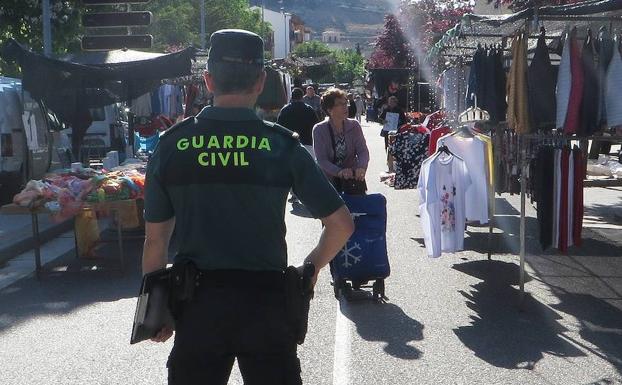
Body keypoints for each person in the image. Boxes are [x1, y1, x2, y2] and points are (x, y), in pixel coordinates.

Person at [142, 29, 354, 385]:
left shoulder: (171, 146)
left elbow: (155, 242)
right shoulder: (283, 146)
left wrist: (155, 310)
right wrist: (311, 269)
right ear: (261, 82)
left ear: (208, 80)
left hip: (198, 308)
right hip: (267, 306)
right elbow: (342, 225)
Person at [313, 87, 370, 192]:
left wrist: (361, 167)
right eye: (340, 104)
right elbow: (321, 160)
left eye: (345, 103)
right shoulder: (319, 129)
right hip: (329, 183)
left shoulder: (354, 125)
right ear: (329, 110)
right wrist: (340, 172)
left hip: (352, 182)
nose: (346, 107)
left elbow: (362, 151)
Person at [277, 87, 319, 156]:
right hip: (308, 144)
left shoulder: (284, 110)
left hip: (290, 145)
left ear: (292, 97)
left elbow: (279, 127)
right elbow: (316, 127)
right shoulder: (309, 109)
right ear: (302, 97)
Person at [378, 96, 407, 173]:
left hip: (396, 132)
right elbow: (380, 118)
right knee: (387, 146)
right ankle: (389, 164)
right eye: (390, 102)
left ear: (395, 102)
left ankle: (395, 163)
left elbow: (404, 121)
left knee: (395, 147)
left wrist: (399, 123)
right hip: (387, 132)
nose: (391, 103)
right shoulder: (386, 110)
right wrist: (383, 121)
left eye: (393, 102)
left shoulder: (399, 110)